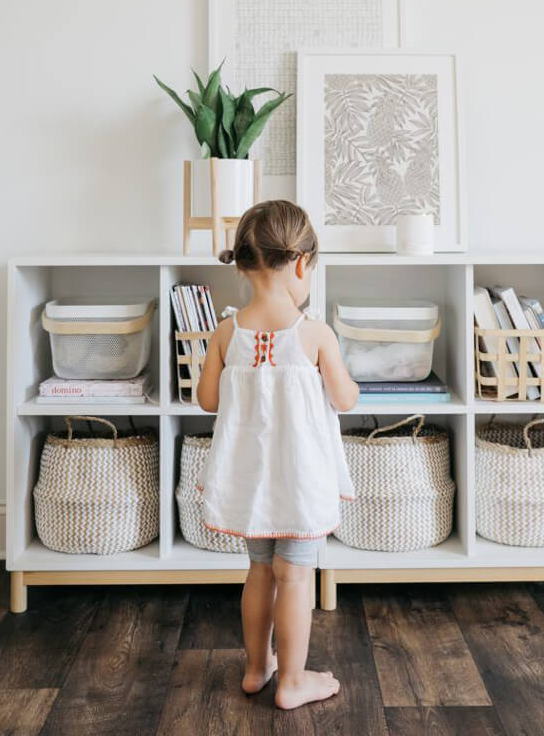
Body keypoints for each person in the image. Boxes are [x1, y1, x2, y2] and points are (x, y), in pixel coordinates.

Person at [196, 199, 359, 710]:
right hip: (299, 481)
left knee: (259, 572)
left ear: (243, 264)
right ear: (302, 263)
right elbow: (344, 398)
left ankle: (255, 667)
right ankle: (291, 679)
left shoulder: (227, 334)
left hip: (250, 483)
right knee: (295, 576)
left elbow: (207, 401)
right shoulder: (313, 334)